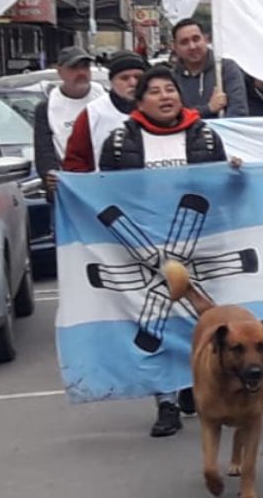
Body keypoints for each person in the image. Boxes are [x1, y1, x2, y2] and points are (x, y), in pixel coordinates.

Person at [98, 66, 241, 436]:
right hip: (145, 243)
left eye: (170, 89)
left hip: (197, 244)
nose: (165, 97)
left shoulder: (205, 137)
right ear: (140, 100)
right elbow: (104, 192)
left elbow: (220, 192)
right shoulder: (118, 142)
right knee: (154, 322)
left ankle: (193, 384)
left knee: (198, 320)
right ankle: (166, 401)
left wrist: (232, 173)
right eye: (155, 91)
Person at [61, 51, 148, 174]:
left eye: (138, 77)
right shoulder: (93, 113)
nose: (133, 83)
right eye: (124, 78)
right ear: (112, 82)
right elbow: (75, 161)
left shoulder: (160, 109)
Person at [33, 47, 104, 193]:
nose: (81, 73)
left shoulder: (105, 99)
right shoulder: (47, 108)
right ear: (60, 71)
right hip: (69, 188)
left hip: (105, 184)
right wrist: (51, 177)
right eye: (73, 68)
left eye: (85, 67)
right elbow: (44, 151)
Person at [170, 19, 249, 118]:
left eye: (196, 39)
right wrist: (208, 108)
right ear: (175, 47)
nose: (192, 46)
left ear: (205, 39)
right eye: (184, 42)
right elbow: (173, 117)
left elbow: (238, 112)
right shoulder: (171, 78)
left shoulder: (225, 69)